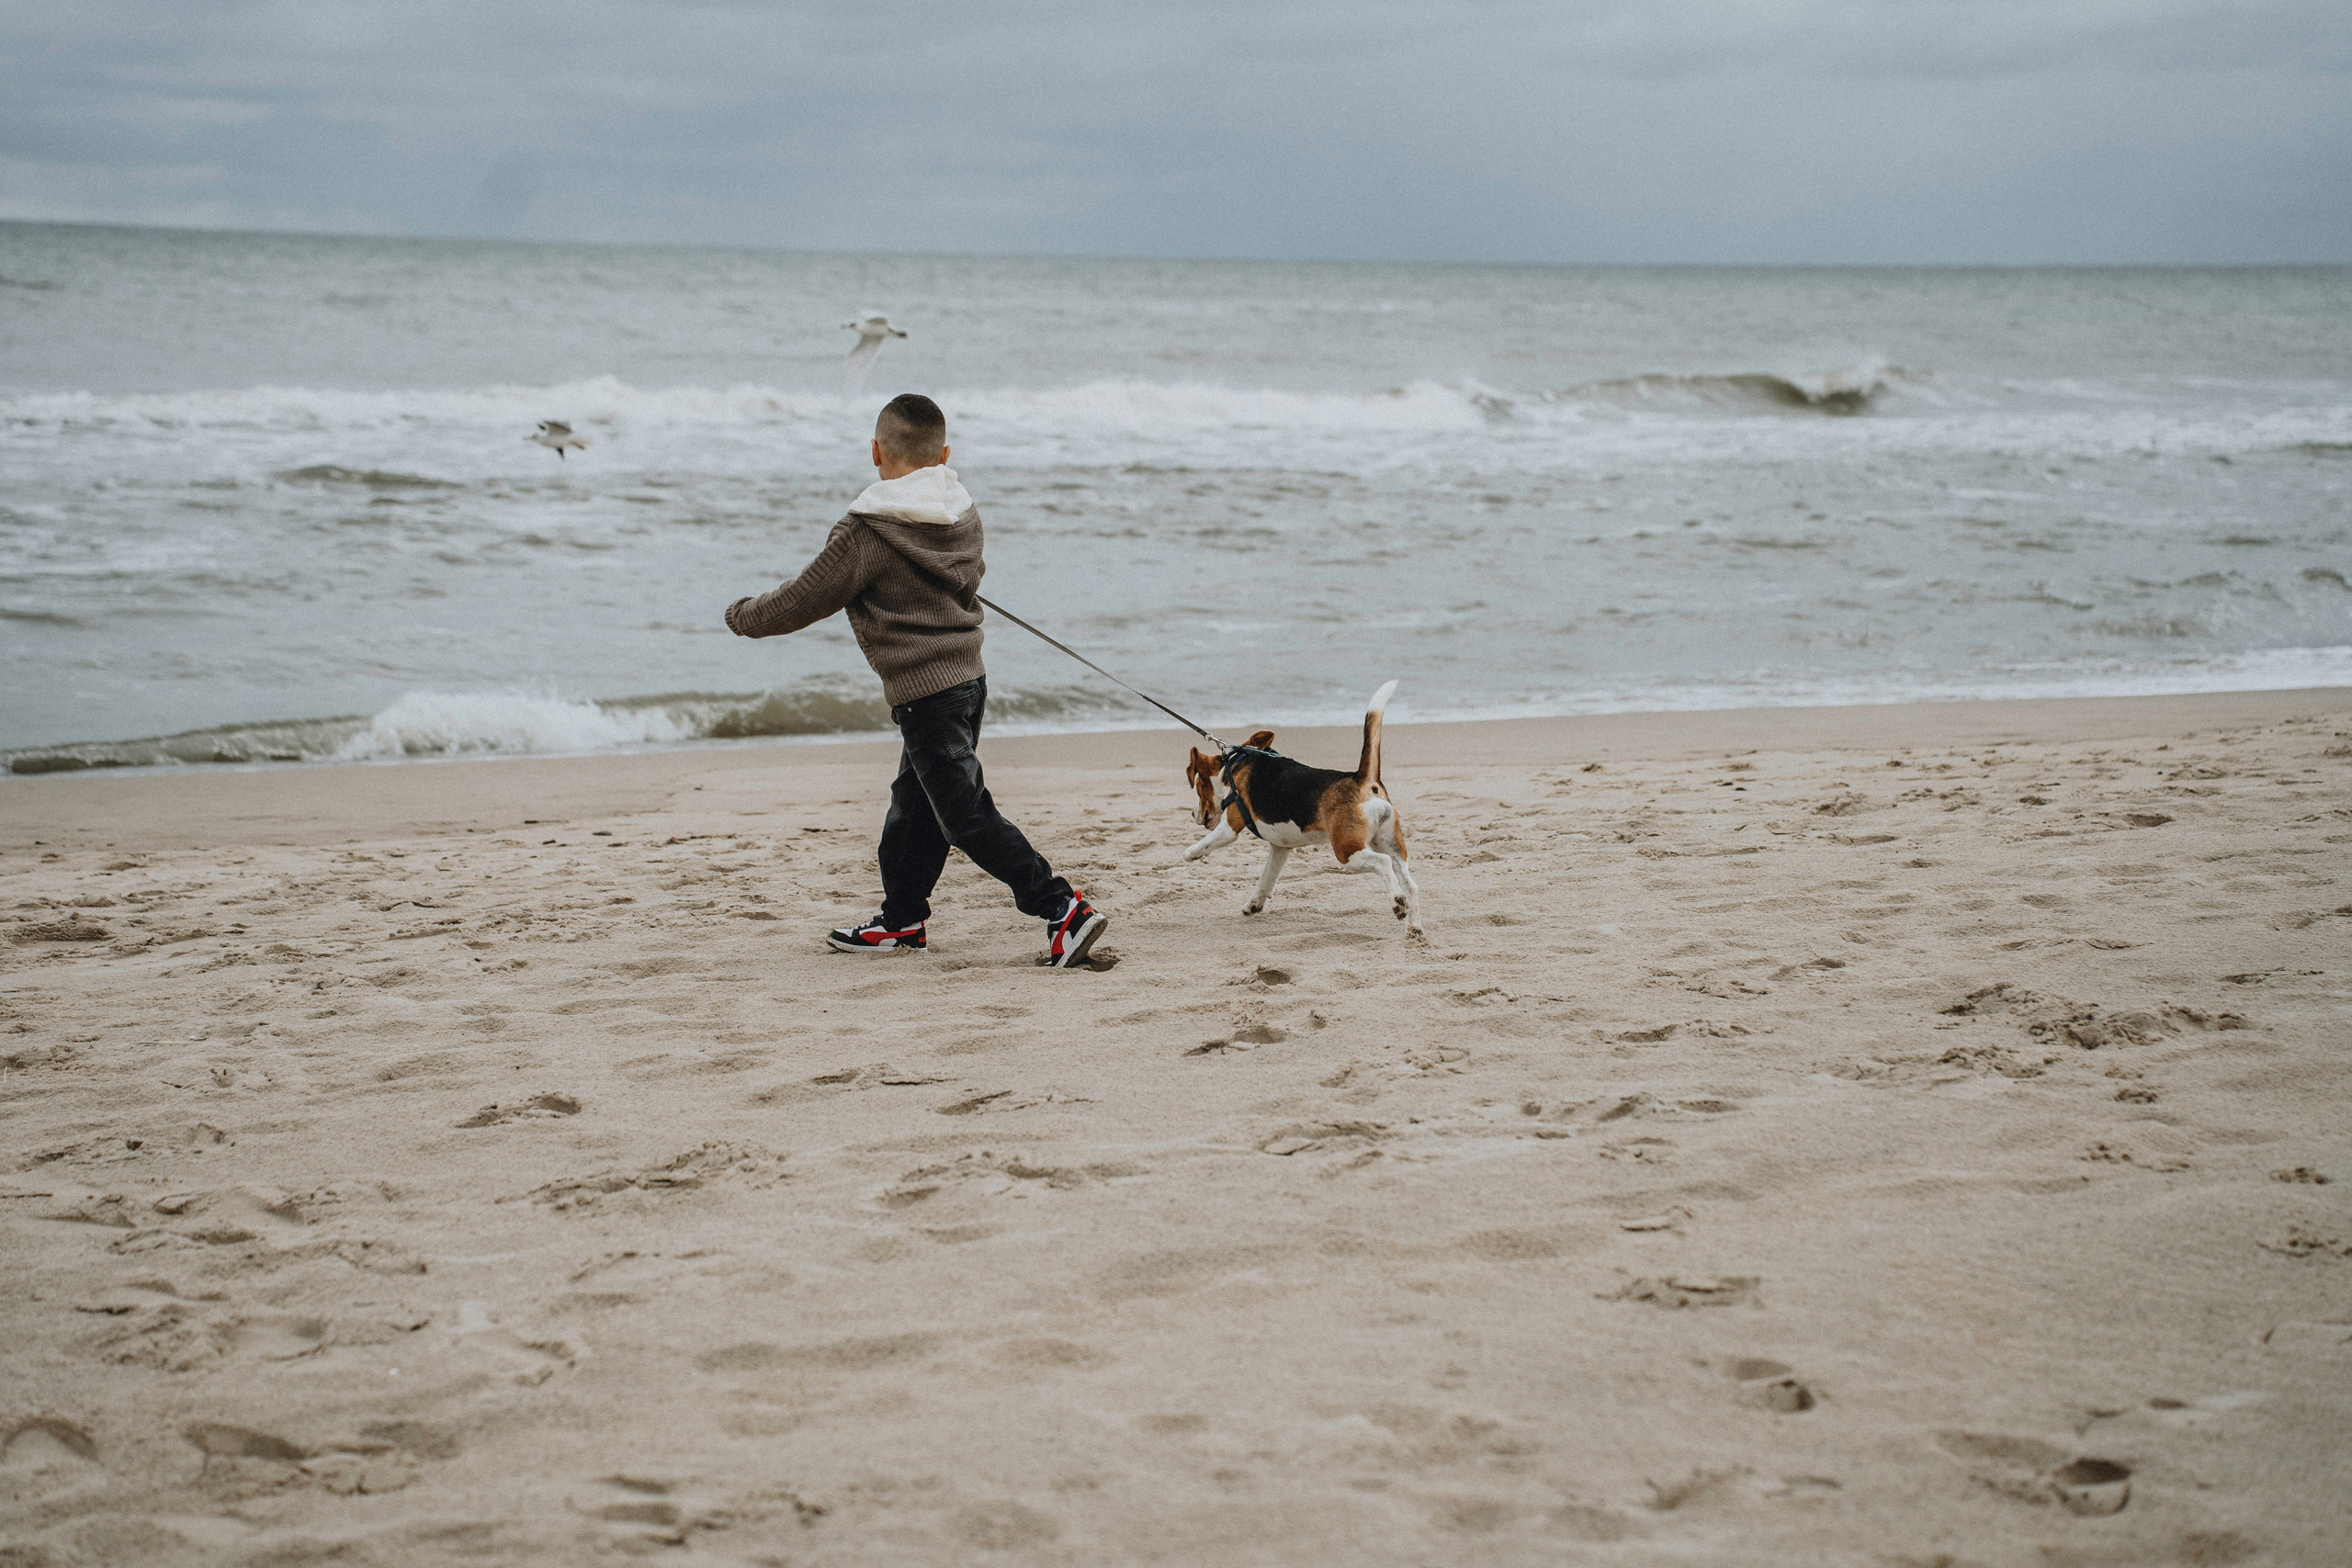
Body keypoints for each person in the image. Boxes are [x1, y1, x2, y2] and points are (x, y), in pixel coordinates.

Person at [723, 393, 1107, 968]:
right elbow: (967, 573)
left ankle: (1063, 907)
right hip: (968, 681)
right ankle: (902, 920)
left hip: (929, 694)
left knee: (965, 816)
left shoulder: (867, 531)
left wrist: (742, 616)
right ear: (944, 454)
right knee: (914, 807)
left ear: (876, 452)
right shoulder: (962, 510)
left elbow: (803, 599)